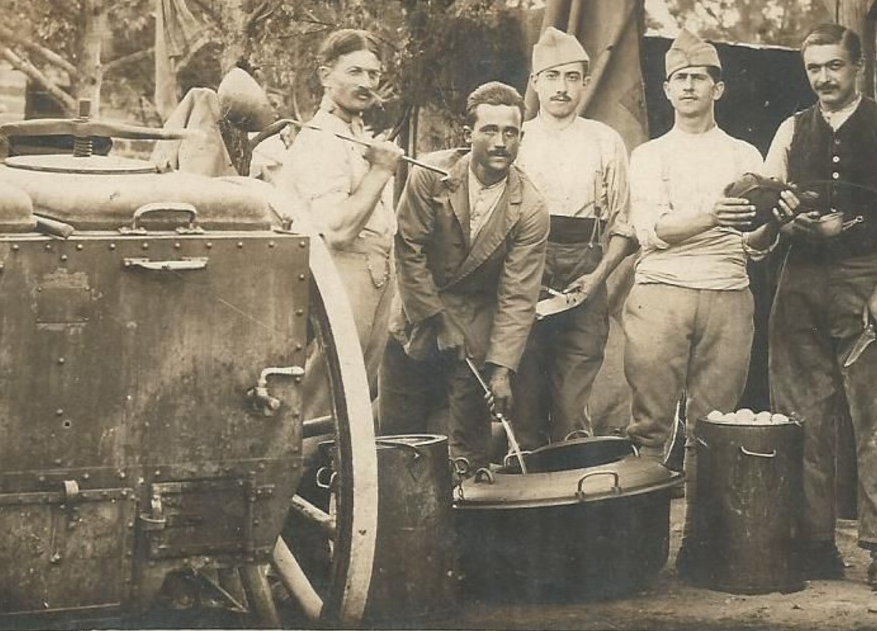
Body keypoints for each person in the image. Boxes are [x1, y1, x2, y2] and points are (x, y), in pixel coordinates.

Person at [763, 23, 877, 591]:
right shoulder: (791, 129)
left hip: (868, 277)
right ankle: (814, 545)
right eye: (814, 68)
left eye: (834, 66)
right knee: (804, 419)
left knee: (874, 419)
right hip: (800, 283)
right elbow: (767, 210)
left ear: (857, 67)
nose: (823, 79)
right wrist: (792, 221)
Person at [623, 30, 780, 464]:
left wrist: (775, 222)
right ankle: (645, 530)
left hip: (728, 292)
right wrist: (714, 216)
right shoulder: (649, 155)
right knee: (650, 425)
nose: (689, 85)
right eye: (680, 78)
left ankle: (701, 534)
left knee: (714, 426)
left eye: (699, 77)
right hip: (661, 293)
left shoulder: (745, 154)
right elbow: (652, 229)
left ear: (719, 88)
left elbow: (755, 244)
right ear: (667, 90)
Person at [380, 82, 549, 469]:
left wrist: (502, 369)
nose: (500, 142)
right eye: (489, 130)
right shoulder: (429, 175)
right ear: (467, 133)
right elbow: (409, 251)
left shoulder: (531, 208)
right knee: (396, 446)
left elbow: (518, 295)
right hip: (415, 320)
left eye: (510, 132)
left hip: (475, 335)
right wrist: (437, 321)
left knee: (467, 453)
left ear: (521, 137)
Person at [259, 29, 406, 420]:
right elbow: (338, 230)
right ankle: (303, 476)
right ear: (326, 75)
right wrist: (380, 171)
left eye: (373, 74)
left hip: (374, 278)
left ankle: (333, 478)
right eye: (354, 71)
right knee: (326, 394)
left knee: (357, 393)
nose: (366, 83)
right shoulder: (319, 140)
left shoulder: (355, 135)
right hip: (341, 276)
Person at [510, 27, 637, 449]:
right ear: (534, 82)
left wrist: (599, 276)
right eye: (551, 76)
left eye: (571, 77)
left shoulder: (604, 140)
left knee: (572, 398)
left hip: (586, 268)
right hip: (524, 266)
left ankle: (568, 497)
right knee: (522, 389)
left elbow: (624, 224)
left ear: (584, 82)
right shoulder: (517, 139)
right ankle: (524, 500)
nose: (562, 88)